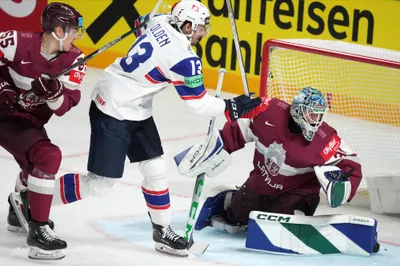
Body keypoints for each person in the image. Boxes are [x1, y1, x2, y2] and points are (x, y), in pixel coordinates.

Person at [11, 0, 263, 258]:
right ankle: (30, 199)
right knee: (100, 183)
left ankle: (162, 230)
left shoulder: (161, 20)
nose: (201, 34)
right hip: (111, 106)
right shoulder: (184, 58)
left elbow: (140, 23)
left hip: (137, 106)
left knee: (155, 168)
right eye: (199, 28)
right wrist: (231, 106)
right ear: (186, 26)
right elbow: (198, 105)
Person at [175, 87, 364, 233]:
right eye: (312, 114)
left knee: (275, 227)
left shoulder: (325, 138)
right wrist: (215, 147)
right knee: (235, 220)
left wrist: (343, 186)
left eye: (320, 114)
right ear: (298, 111)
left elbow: (350, 166)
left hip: (298, 193)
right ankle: (229, 198)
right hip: (261, 184)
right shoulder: (268, 111)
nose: (317, 120)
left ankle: (295, 217)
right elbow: (237, 130)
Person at [1, 2, 86, 260]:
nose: (76, 37)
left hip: (20, 122)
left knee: (44, 158)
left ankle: (30, 222)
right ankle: (32, 223)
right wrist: (3, 86)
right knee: (44, 159)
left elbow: (62, 107)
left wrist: (53, 94)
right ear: (58, 31)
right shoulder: (15, 41)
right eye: (73, 31)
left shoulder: (74, 59)